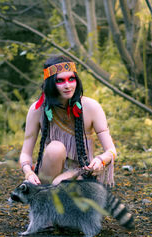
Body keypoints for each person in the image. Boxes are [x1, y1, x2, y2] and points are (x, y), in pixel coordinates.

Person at [19, 55, 117, 187]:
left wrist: (101, 160)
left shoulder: (91, 107)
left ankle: (56, 192)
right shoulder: (37, 110)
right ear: (50, 83)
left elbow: (111, 150)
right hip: (49, 170)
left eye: (71, 79)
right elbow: (26, 153)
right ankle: (46, 192)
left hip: (79, 171)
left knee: (59, 183)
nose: (67, 85)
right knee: (55, 148)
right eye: (60, 81)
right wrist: (28, 173)